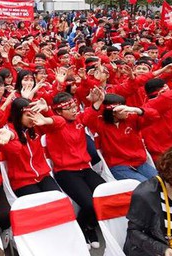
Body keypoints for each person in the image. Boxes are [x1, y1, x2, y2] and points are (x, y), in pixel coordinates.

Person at [44, 92, 105, 248]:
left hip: (84, 167)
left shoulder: (78, 119)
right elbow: (53, 121)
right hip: (66, 172)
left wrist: (98, 102)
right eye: (69, 108)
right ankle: (85, 228)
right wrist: (45, 112)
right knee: (90, 204)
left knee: (105, 194)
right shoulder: (54, 125)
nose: (74, 110)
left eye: (74, 106)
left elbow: (89, 113)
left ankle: (86, 224)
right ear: (58, 111)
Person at [1, 97, 61, 196]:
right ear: (17, 115)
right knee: (40, 208)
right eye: (28, 115)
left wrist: (46, 114)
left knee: (59, 201)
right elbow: (14, 149)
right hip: (22, 181)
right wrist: (12, 136)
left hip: (43, 175)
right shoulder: (7, 131)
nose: (32, 118)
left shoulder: (36, 125)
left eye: (33, 114)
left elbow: (60, 124)